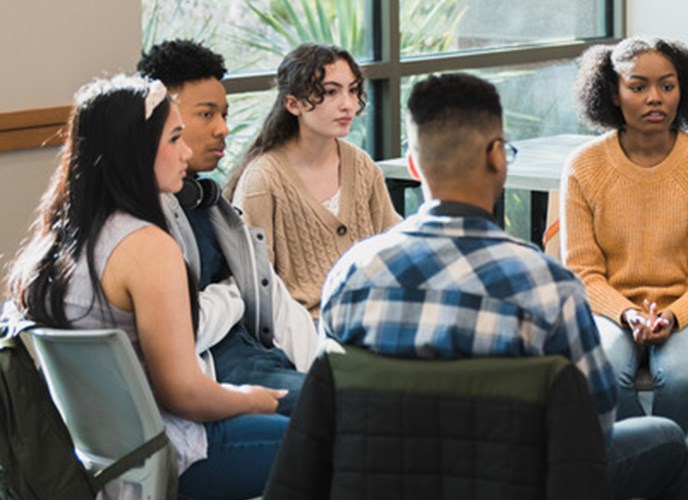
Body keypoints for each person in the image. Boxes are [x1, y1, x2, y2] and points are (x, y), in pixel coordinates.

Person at [319, 72, 688, 499]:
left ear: (413, 164)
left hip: (384, 484)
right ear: (498, 157)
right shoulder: (547, 287)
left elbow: (330, 410)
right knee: (665, 439)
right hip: (513, 483)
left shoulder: (350, 275)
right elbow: (593, 425)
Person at [5, 75, 287, 499]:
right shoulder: (147, 248)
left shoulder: (58, 244)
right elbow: (181, 393)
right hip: (166, 456)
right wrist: (248, 397)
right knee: (319, 441)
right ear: (134, 150)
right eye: (175, 138)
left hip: (97, 458)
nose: (187, 152)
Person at [561, 36, 688, 435]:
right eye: (638, 87)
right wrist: (628, 313)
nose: (655, 98)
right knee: (599, 374)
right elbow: (583, 273)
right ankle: (649, 466)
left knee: (678, 376)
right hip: (612, 310)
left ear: (682, 91)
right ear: (613, 93)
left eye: (667, 86)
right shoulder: (582, 167)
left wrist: (673, 316)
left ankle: (647, 468)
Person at [138, 39, 317, 416]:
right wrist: (236, 293)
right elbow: (181, 332)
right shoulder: (145, 224)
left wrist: (324, 373)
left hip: (267, 361)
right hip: (220, 381)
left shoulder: (209, 203)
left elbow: (274, 300)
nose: (223, 128)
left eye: (224, 114)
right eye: (206, 115)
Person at [224, 42, 400, 318]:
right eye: (330, 92)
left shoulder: (362, 165)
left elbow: (393, 243)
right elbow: (253, 283)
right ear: (293, 104)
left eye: (352, 90)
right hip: (304, 330)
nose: (348, 104)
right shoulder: (263, 179)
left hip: (374, 317)